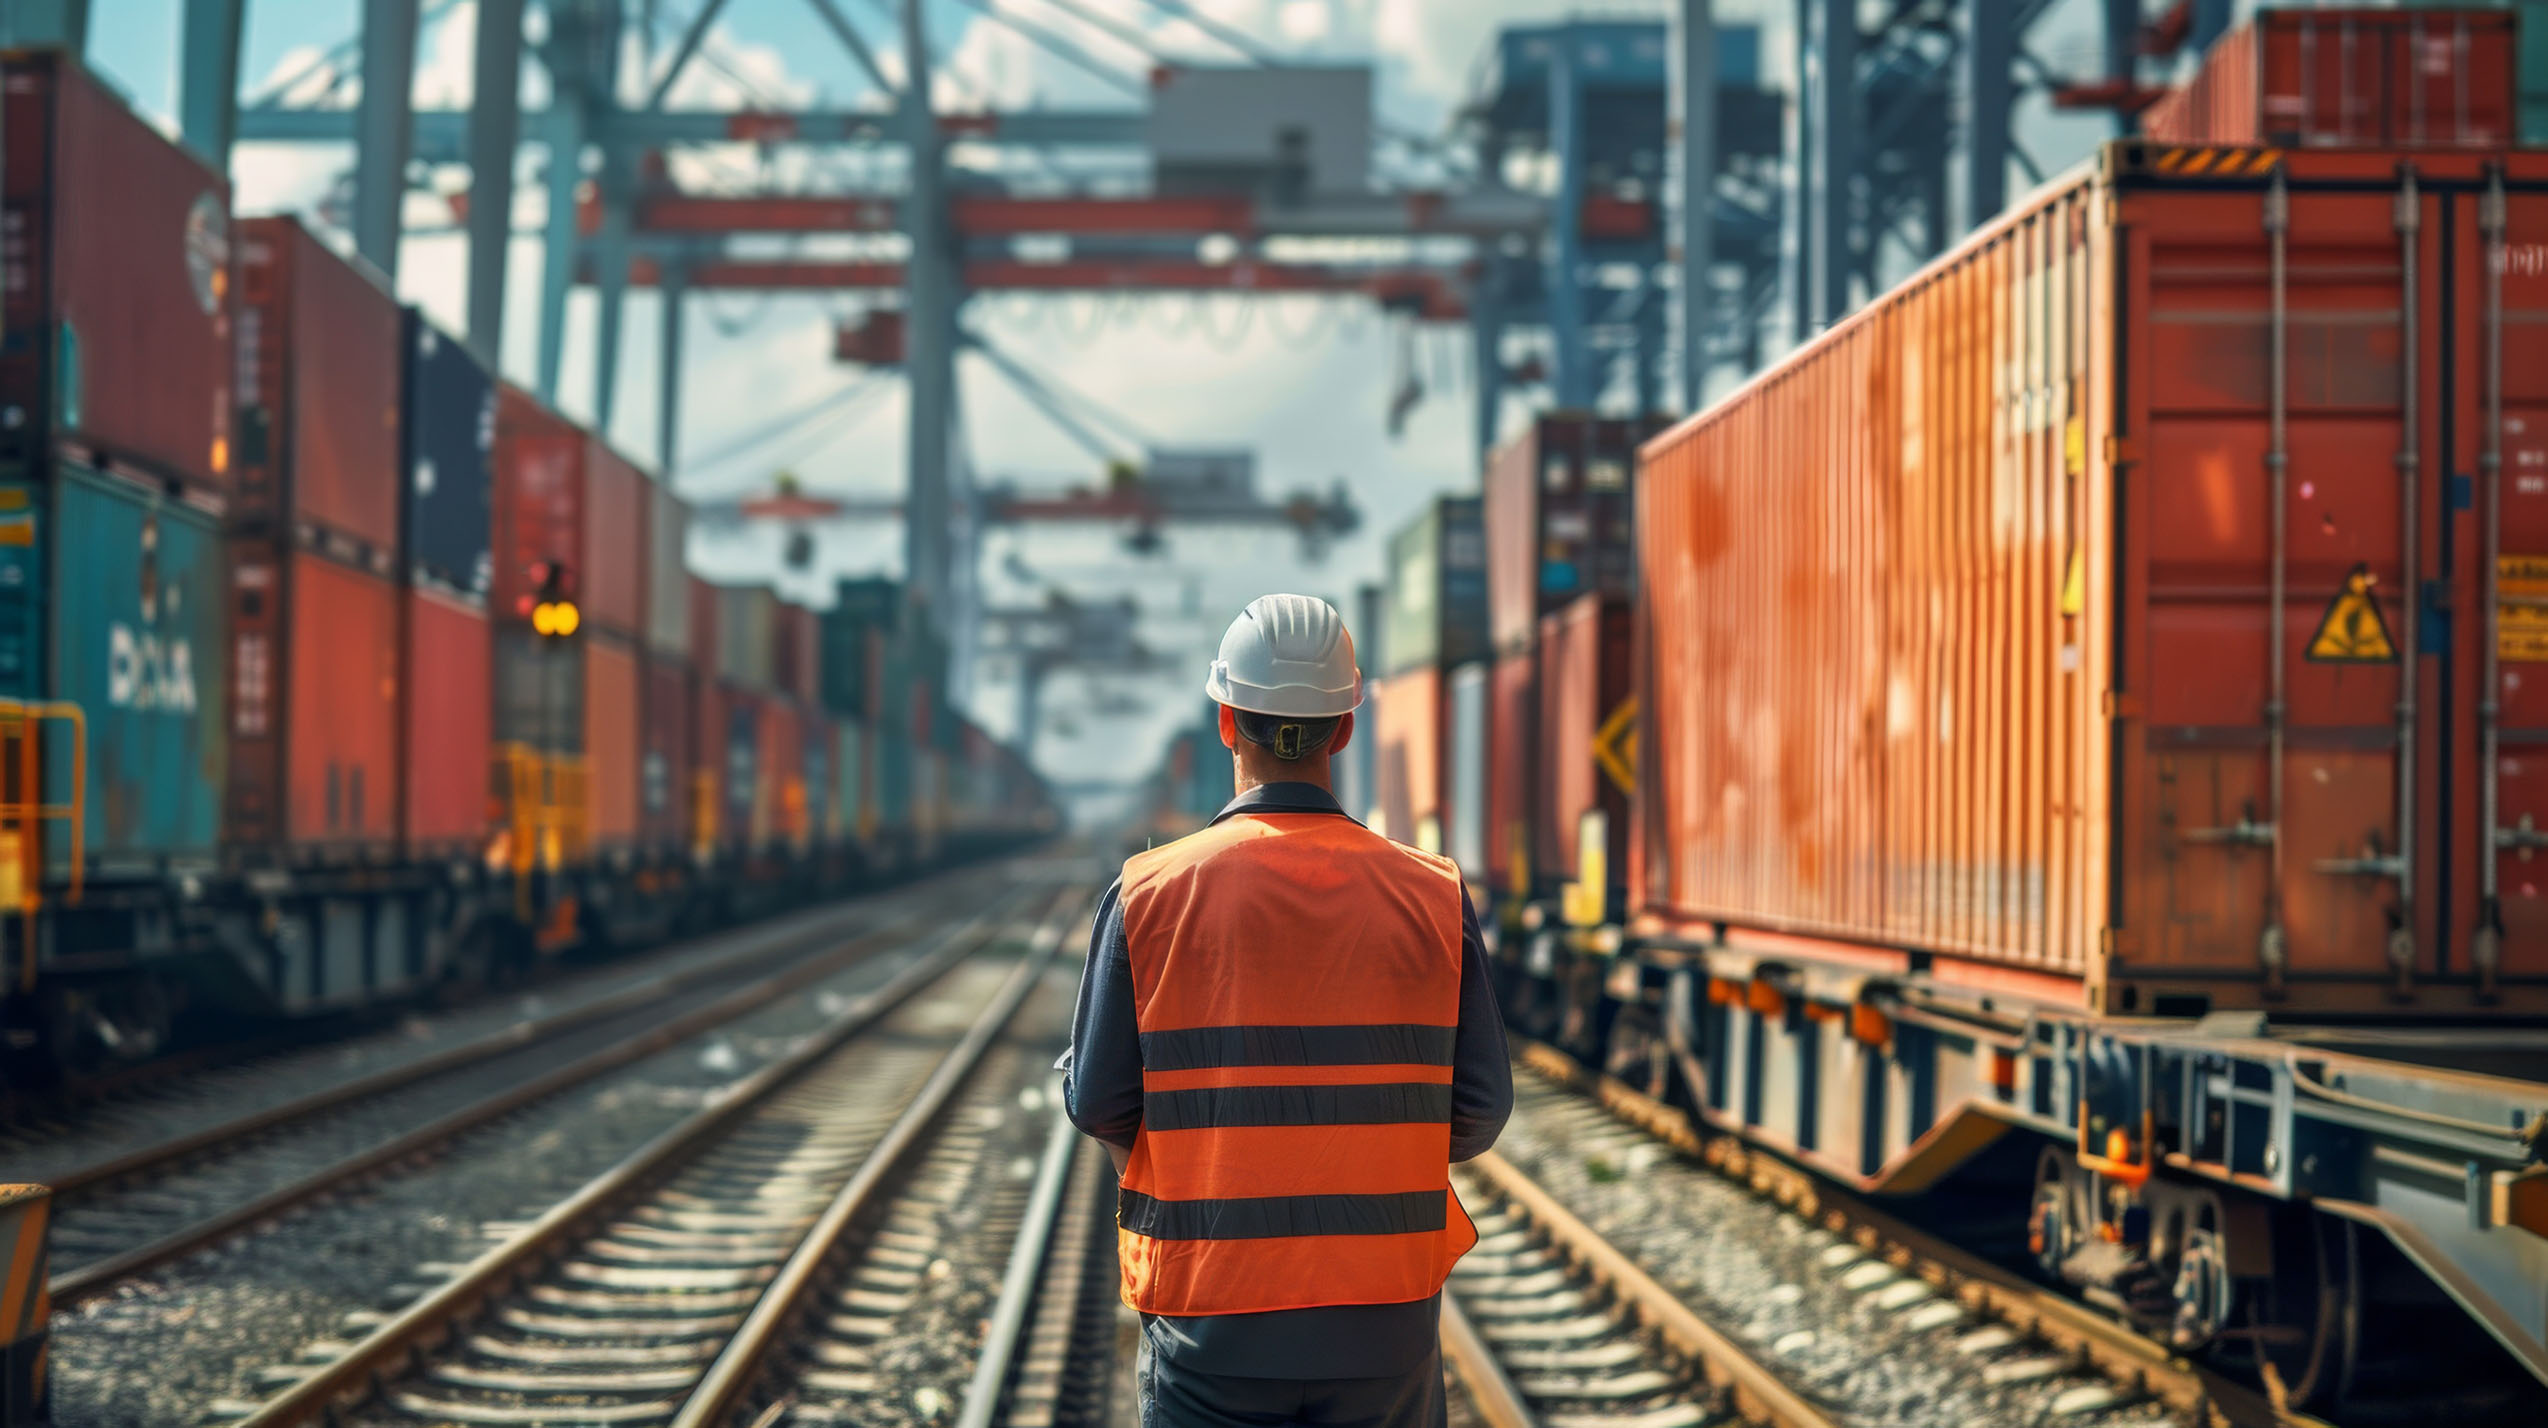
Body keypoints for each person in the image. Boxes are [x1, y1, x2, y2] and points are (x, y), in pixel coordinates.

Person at [1061, 593, 1513, 1428]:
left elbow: (1098, 1104)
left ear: (1227, 722)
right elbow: (1480, 1111)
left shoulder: (1148, 894)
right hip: (1385, 1326)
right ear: (1344, 729)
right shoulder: (1432, 894)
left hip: (1210, 1321)